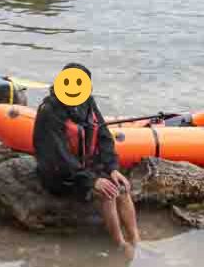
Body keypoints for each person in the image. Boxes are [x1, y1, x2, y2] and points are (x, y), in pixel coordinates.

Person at [32, 63, 140, 256]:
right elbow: (60, 157)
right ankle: (120, 244)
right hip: (60, 174)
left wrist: (113, 167)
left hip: (84, 166)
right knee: (108, 193)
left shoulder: (87, 102)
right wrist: (93, 180)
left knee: (123, 188)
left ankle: (136, 239)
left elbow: (105, 137)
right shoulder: (49, 112)